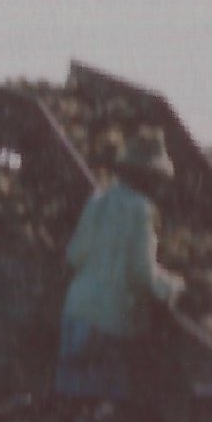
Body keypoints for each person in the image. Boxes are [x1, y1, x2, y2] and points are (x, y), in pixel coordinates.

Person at [55, 128, 183, 399]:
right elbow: (141, 273)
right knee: (104, 412)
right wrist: (173, 285)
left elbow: (75, 254)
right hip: (109, 324)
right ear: (150, 177)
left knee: (73, 408)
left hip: (76, 313)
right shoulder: (141, 210)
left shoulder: (98, 200)